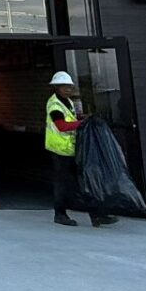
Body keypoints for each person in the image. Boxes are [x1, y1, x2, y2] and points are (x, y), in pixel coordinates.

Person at [46, 71, 116, 228]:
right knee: (63, 183)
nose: (68, 89)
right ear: (57, 87)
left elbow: (71, 120)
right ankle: (60, 214)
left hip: (72, 148)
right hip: (59, 150)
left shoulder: (68, 102)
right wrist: (81, 124)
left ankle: (97, 214)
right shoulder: (54, 105)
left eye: (70, 87)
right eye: (65, 87)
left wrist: (82, 118)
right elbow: (61, 126)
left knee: (85, 181)